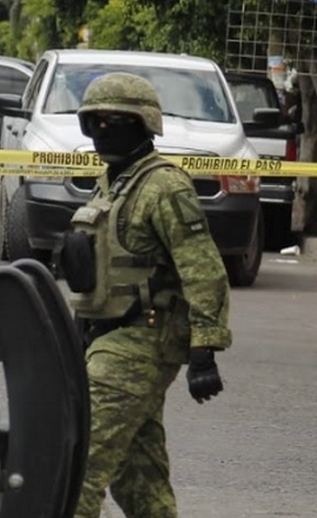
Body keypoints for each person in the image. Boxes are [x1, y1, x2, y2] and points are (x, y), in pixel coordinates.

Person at [58, 72, 231, 518]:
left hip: (143, 339)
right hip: (106, 338)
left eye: (113, 121)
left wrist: (205, 349)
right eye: (93, 122)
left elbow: (203, 268)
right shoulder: (112, 181)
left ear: (143, 123)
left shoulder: (164, 187)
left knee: (76, 468)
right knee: (138, 479)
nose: (101, 132)